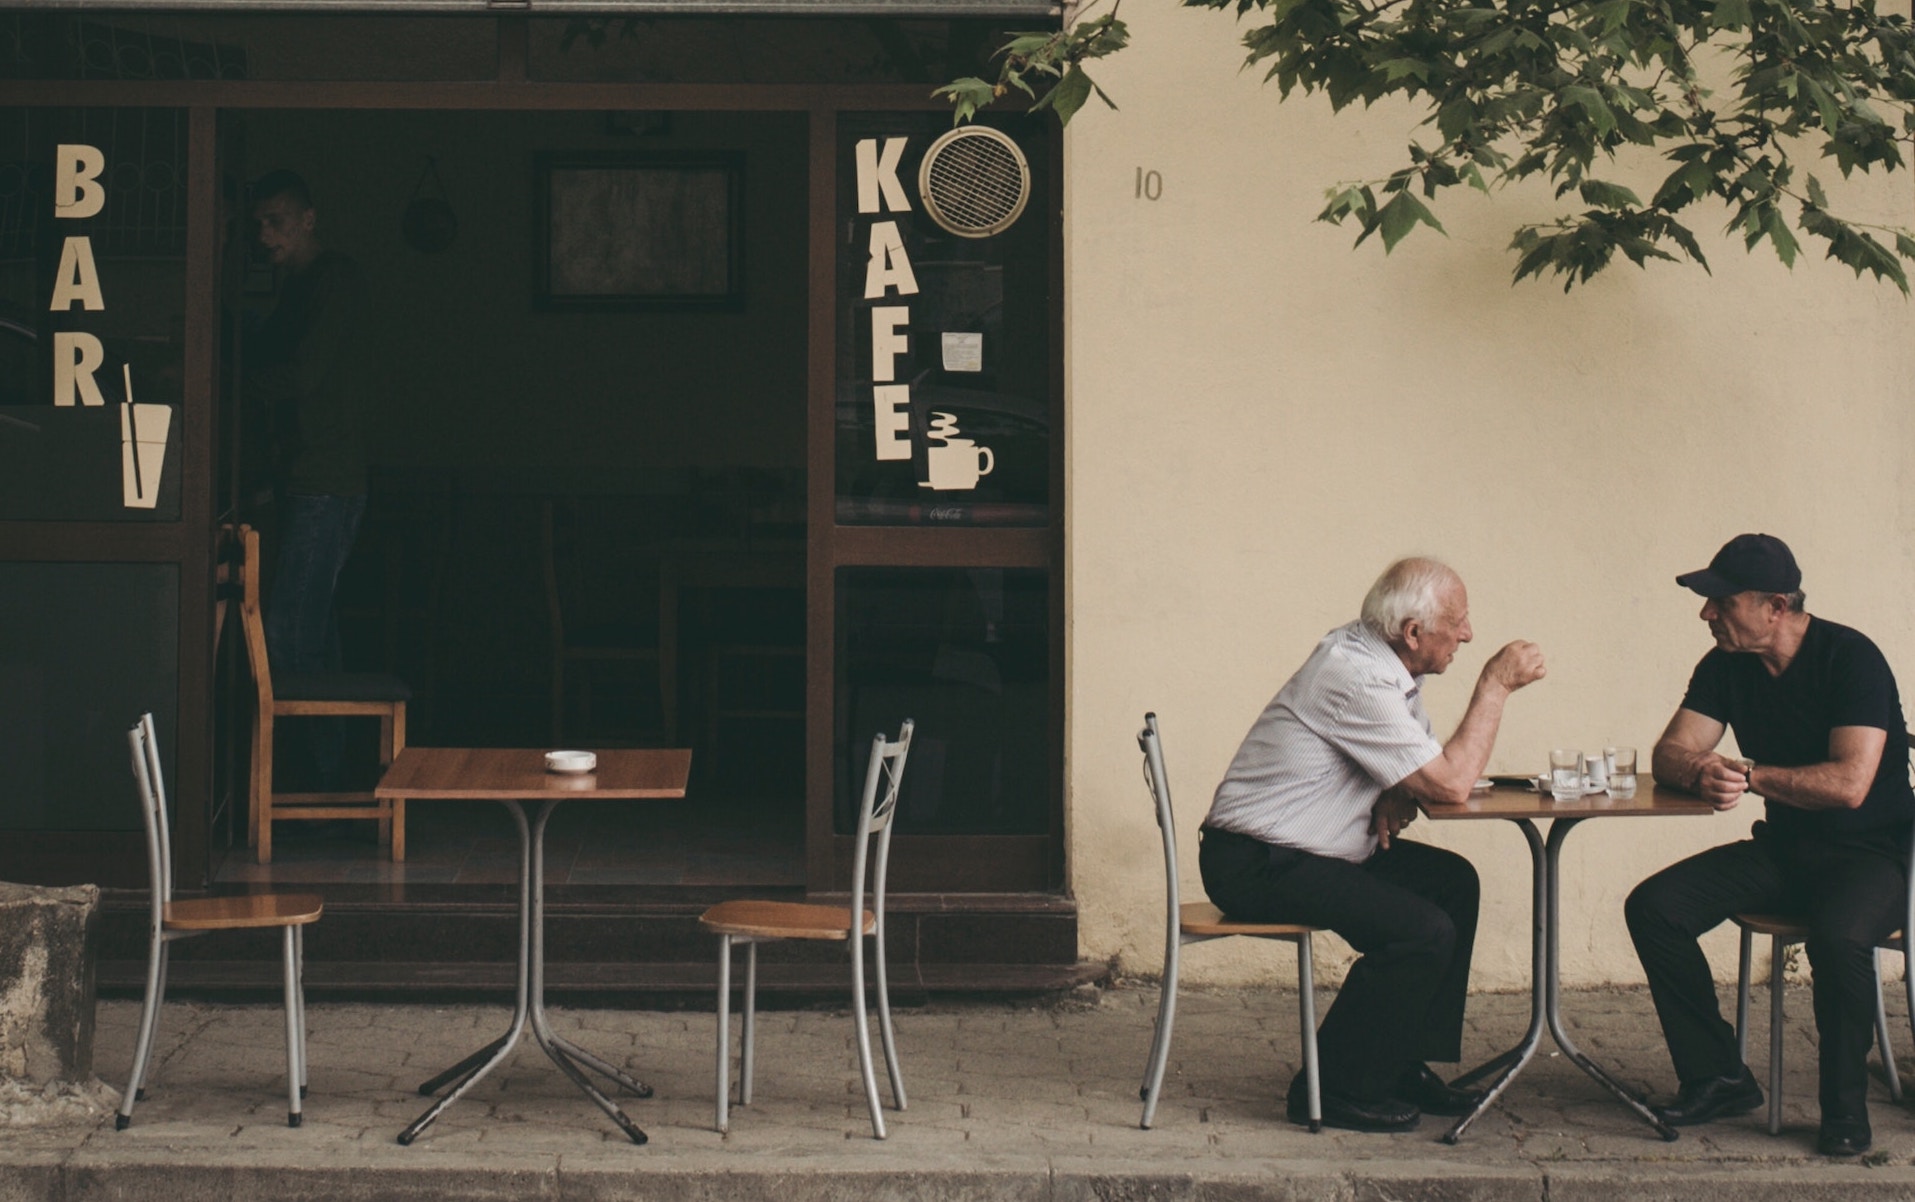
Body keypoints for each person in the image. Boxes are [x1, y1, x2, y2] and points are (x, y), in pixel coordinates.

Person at [1199, 557, 1547, 1132]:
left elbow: (1424, 770)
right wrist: (1495, 685)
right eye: (1457, 622)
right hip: (1256, 861)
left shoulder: (1385, 668)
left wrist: (1396, 784)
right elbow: (1451, 782)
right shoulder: (1356, 674)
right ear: (1413, 633)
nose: (1467, 634)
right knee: (1420, 930)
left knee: (1452, 883)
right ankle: (1334, 1086)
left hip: (1310, 850)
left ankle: (1397, 1061)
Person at [1625, 533, 1913, 1157]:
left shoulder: (1851, 658)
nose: (1707, 614)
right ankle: (1719, 1076)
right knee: (1655, 906)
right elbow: (1670, 752)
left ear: (1776, 606)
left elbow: (1850, 783)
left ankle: (1844, 1111)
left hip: (1876, 855)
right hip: (1786, 851)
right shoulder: (1725, 665)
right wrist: (1696, 770)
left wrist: (1750, 775)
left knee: (1839, 938)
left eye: (1720, 602)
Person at [248, 170, 370, 785]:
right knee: (311, 633)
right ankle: (327, 782)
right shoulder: (295, 288)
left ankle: (306, 787)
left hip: (324, 482)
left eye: (276, 220)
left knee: (293, 638)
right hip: (306, 480)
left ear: (307, 219)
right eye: (257, 224)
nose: (264, 234)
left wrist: (220, 382)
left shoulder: (332, 279)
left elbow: (304, 374)